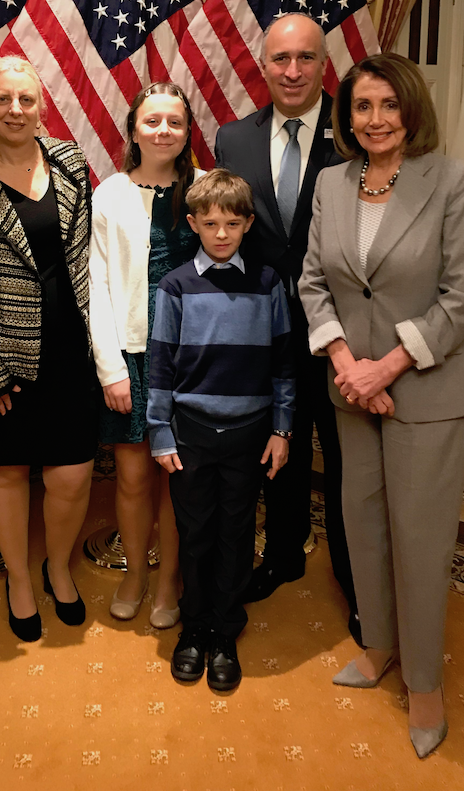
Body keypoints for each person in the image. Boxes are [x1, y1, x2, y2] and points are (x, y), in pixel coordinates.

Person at [299, 53, 464, 758]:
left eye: (387, 105)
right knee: (363, 524)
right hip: (353, 389)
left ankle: (427, 681)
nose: (374, 119)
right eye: (361, 107)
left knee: (420, 537)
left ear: (410, 109)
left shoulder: (454, 182)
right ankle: (378, 645)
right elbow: (314, 280)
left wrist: (389, 366)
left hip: (426, 391)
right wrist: (348, 365)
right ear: (347, 118)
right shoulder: (331, 182)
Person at [0, 56, 95, 643]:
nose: (15, 110)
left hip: (71, 348)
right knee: (6, 471)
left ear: (42, 105)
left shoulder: (72, 163)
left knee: (73, 473)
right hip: (5, 361)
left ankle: (58, 567)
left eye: (26, 100)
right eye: (2, 100)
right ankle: (19, 579)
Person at [215, 12, 358, 641]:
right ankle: (282, 554)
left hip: (347, 335)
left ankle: (360, 583)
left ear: (325, 65)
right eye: (281, 59)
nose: (293, 71)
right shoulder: (232, 140)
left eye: (306, 59)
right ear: (263, 64)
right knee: (281, 449)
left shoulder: (357, 128)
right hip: (265, 333)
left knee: (352, 462)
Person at [147, 170, 294, 691]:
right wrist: (160, 431)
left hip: (250, 433)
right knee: (196, 534)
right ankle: (195, 628)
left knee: (236, 533)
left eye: (233, 222)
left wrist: (282, 427)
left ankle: (226, 631)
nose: (222, 233)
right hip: (190, 432)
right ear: (193, 224)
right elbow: (161, 364)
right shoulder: (176, 285)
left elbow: (282, 360)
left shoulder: (268, 283)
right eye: (210, 223)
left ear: (249, 224)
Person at [89, 82, 199, 628]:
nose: (163, 131)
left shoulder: (205, 189)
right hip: (132, 356)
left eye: (174, 122)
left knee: (177, 475)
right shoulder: (108, 193)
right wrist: (111, 368)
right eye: (151, 121)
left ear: (187, 132)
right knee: (132, 477)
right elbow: (99, 286)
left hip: (193, 359)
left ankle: (171, 578)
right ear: (134, 129)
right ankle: (136, 570)